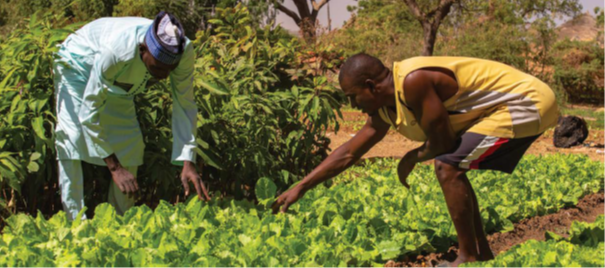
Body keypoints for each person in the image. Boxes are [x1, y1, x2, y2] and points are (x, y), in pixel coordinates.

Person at [271, 54, 559, 267]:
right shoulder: (384, 107)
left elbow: (443, 142)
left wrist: (410, 157)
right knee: (451, 164)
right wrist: (302, 186)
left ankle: (468, 257)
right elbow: (349, 152)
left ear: (371, 86)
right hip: (505, 108)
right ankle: (480, 254)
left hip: (527, 102)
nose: (352, 106)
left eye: (352, 97)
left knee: (446, 165)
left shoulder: (413, 81)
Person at [53, 11, 209, 221]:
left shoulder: (183, 50)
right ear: (142, 49)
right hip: (79, 66)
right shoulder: (116, 51)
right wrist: (115, 168)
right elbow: (89, 112)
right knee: (71, 140)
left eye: (169, 70)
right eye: (159, 68)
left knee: (130, 146)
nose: (164, 76)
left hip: (122, 83)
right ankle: (74, 225)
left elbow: (185, 102)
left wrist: (188, 160)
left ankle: (120, 223)